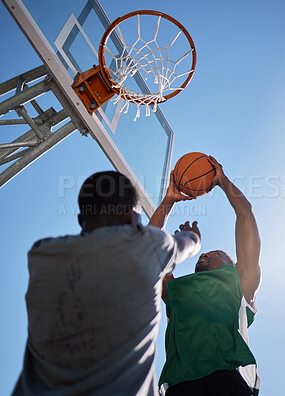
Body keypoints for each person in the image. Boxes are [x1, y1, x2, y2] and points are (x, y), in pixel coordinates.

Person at [12, 171, 201, 396]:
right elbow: (188, 243)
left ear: (81, 220)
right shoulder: (147, 247)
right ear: (129, 218)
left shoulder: (42, 255)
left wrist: (166, 203)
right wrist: (194, 235)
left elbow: (136, 244)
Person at [158, 156, 262, 396]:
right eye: (202, 254)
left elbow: (245, 213)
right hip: (178, 387)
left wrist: (221, 180)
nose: (204, 255)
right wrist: (168, 201)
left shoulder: (239, 284)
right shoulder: (176, 290)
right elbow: (151, 250)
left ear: (232, 265)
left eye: (214, 254)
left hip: (225, 380)